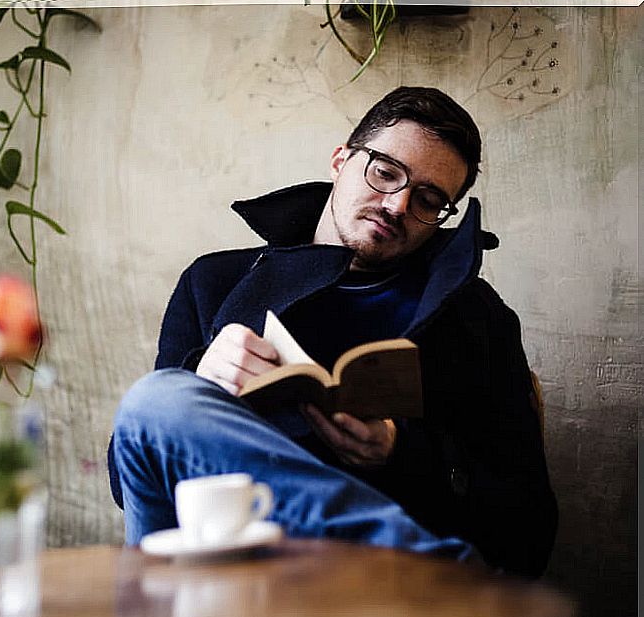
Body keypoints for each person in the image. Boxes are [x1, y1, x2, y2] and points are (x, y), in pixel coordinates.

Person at [107, 86, 558, 578]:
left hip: (376, 594)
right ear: (341, 160)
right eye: (385, 173)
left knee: (157, 400)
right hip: (230, 576)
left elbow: (529, 529)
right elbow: (126, 477)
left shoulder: (474, 317)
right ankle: (420, 556)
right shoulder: (214, 283)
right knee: (158, 400)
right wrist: (201, 378)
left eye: (429, 201)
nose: (397, 205)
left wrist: (401, 453)